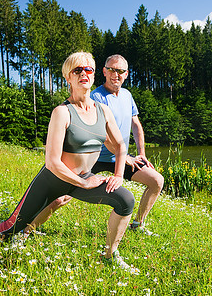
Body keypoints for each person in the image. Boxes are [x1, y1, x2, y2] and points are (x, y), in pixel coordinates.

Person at [0, 52, 138, 273]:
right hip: (53, 179)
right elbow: (52, 162)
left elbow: (119, 145)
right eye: (77, 70)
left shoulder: (103, 111)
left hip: (83, 177)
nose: (83, 74)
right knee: (12, 226)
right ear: (68, 77)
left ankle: (109, 254)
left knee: (125, 200)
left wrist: (117, 175)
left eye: (88, 69)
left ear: (94, 74)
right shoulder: (62, 112)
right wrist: (83, 182)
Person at [27, 54, 164, 236]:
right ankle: (27, 229)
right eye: (112, 70)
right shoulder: (96, 96)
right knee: (60, 199)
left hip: (120, 157)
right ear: (104, 72)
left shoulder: (127, 95)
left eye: (121, 71)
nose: (116, 74)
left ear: (127, 74)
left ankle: (138, 224)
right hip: (93, 159)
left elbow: (136, 125)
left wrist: (141, 154)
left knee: (156, 181)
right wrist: (126, 158)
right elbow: (103, 137)